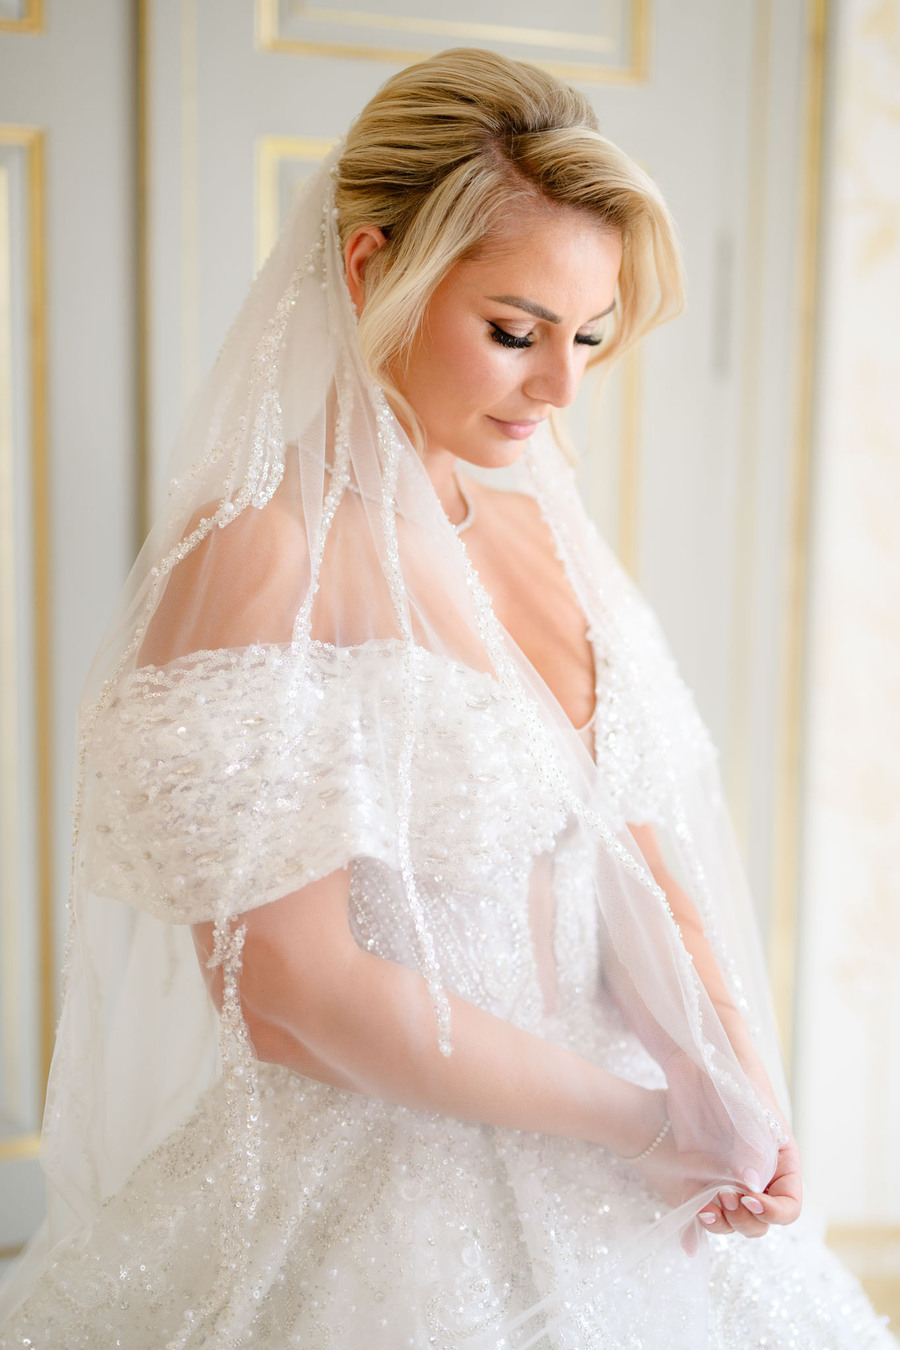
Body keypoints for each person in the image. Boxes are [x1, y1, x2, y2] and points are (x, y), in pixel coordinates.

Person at [0, 47, 894, 1350]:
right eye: (515, 333)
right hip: (387, 1204)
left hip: (638, 1168)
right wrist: (642, 1119)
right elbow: (289, 988)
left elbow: (638, 848)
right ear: (373, 270)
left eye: (589, 336)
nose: (562, 386)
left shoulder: (539, 529)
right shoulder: (263, 555)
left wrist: (733, 1085)